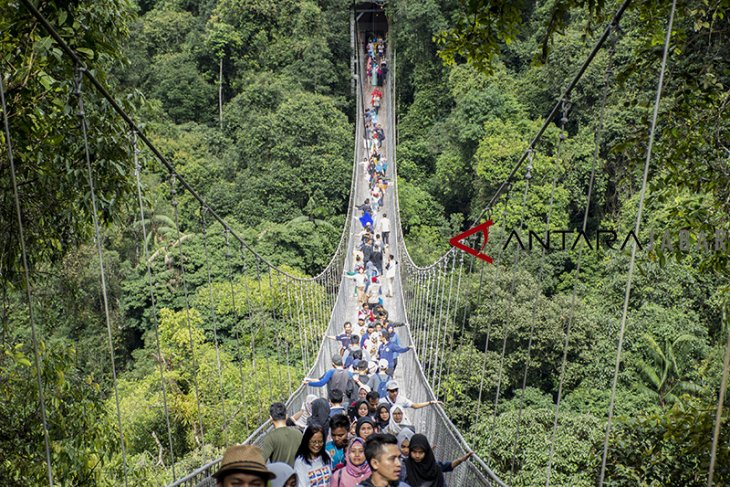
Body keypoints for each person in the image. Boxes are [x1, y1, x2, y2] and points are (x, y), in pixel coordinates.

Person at [402, 434, 474, 487]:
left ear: (426, 452)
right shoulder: (404, 466)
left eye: (421, 452)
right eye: (414, 452)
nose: (417, 455)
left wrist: (460, 460)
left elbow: (447, 466)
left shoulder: (434, 468)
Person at [261, 402, 303, 466]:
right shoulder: (298, 433)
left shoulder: (270, 438)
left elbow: (260, 461)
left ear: (271, 418)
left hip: (280, 475)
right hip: (298, 474)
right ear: (286, 416)